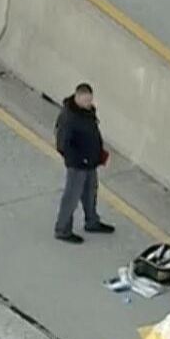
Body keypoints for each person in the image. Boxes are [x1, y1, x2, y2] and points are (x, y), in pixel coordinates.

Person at [53, 83, 114, 244]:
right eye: (86, 101)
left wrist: (97, 154)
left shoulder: (87, 112)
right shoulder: (69, 118)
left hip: (90, 163)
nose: (89, 104)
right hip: (77, 166)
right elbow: (63, 145)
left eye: (90, 100)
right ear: (77, 97)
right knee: (71, 197)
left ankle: (92, 221)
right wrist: (80, 159)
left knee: (90, 193)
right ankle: (63, 229)